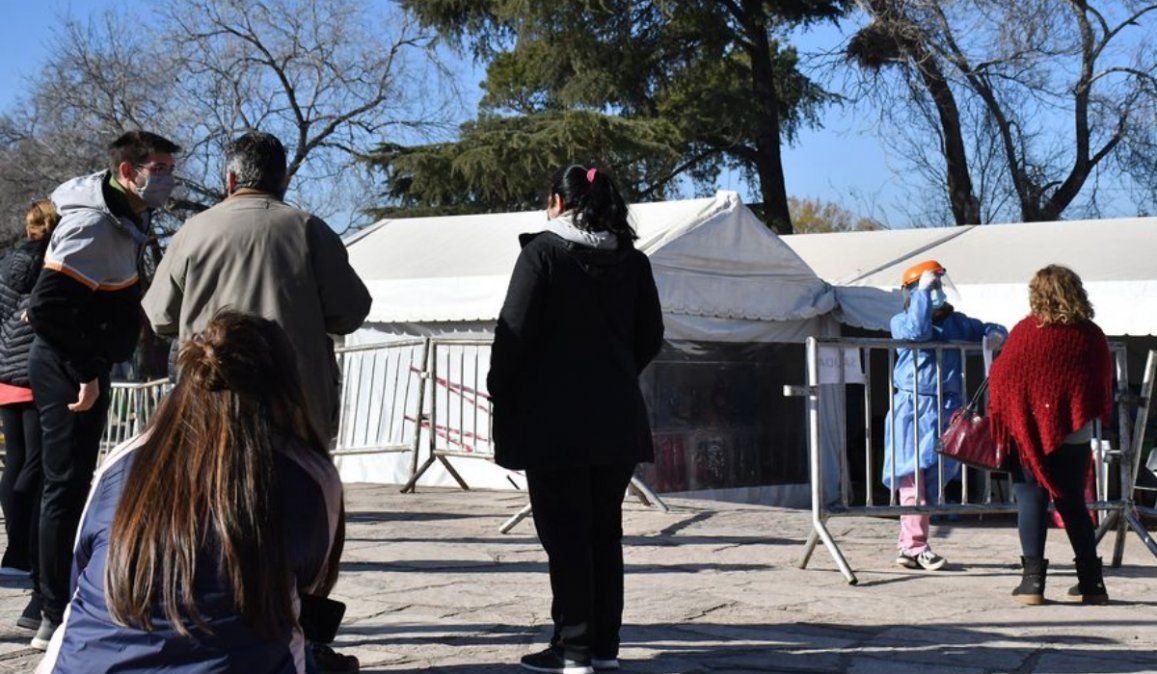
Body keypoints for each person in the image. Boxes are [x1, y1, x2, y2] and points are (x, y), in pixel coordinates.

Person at [35, 312, 345, 672]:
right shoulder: (308, 474)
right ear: (286, 387)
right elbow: (308, 589)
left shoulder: (123, 460)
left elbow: (82, 572)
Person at [488, 165, 664, 674]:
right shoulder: (634, 261)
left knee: (565, 536)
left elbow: (513, 332)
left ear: (558, 202)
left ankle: (574, 647)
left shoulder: (543, 253)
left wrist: (503, 389)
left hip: (554, 421)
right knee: (604, 533)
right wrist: (615, 374)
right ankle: (604, 646)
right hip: (616, 418)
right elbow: (650, 336)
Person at [27, 131, 180, 649]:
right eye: (158, 168)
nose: (168, 178)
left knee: (68, 484)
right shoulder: (93, 223)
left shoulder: (127, 216)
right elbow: (47, 308)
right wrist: (87, 371)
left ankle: (45, 599)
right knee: (64, 485)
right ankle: (53, 613)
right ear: (127, 172)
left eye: (170, 169)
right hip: (68, 366)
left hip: (84, 363)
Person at [142, 131, 371, 444]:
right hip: (295, 409)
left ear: (231, 180)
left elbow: (160, 317)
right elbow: (350, 313)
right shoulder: (310, 230)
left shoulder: (191, 233)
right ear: (283, 180)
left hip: (210, 408)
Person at [988, 265, 1112, 605]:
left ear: (1037, 295)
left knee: (1030, 498)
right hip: (1074, 433)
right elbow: (1101, 382)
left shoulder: (1025, 331)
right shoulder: (1091, 335)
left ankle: (1032, 584)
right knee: (1073, 503)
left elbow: (1001, 377)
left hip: (1027, 434)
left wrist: (1022, 412)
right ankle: (1092, 584)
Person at [883, 260, 1006, 571]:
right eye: (931, 286)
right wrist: (922, 296)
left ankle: (908, 544)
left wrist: (995, 335)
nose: (938, 291)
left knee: (936, 477)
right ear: (913, 291)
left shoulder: (957, 322)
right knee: (913, 479)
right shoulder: (901, 321)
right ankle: (916, 546)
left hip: (947, 409)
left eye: (939, 285)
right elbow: (918, 332)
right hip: (913, 409)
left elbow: (989, 328)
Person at [0, 201, 59, 614]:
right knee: (36, 463)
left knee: (15, 460)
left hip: (5, 371)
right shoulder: (50, 263)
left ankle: (13, 550)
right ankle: (23, 545)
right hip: (35, 372)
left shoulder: (9, 263)